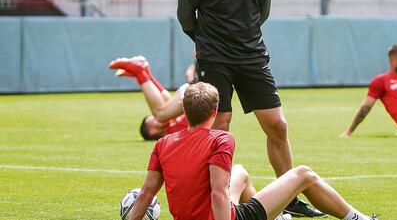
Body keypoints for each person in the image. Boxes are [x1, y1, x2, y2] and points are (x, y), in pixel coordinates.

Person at [176, 0, 322, 217]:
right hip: (215, 58)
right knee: (221, 127)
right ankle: (217, 197)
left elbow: (262, 11)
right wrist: (206, 44)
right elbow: (186, 17)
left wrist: (243, 39)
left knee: (278, 125)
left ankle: (288, 198)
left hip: (253, 56)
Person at [128, 82, 378, 220]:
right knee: (303, 174)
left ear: (184, 112)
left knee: (240, 172)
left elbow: (147, 193)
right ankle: (359, 219)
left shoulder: (164, 143)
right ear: (215, 112)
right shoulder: (221, 139)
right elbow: (217, 193)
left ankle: (278, 217)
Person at [109, 55, 195, 140]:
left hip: (195, 94)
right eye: (153, 119)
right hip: (196, 95)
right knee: (161, 113)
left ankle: (139, 71)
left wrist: (146, 75)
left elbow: (167, 101)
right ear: (152, 131)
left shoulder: (172, 126)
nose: (154, 117)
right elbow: (168, 101)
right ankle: (140, 71)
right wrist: (147, 74)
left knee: (161, 114)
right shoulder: (172, 133)